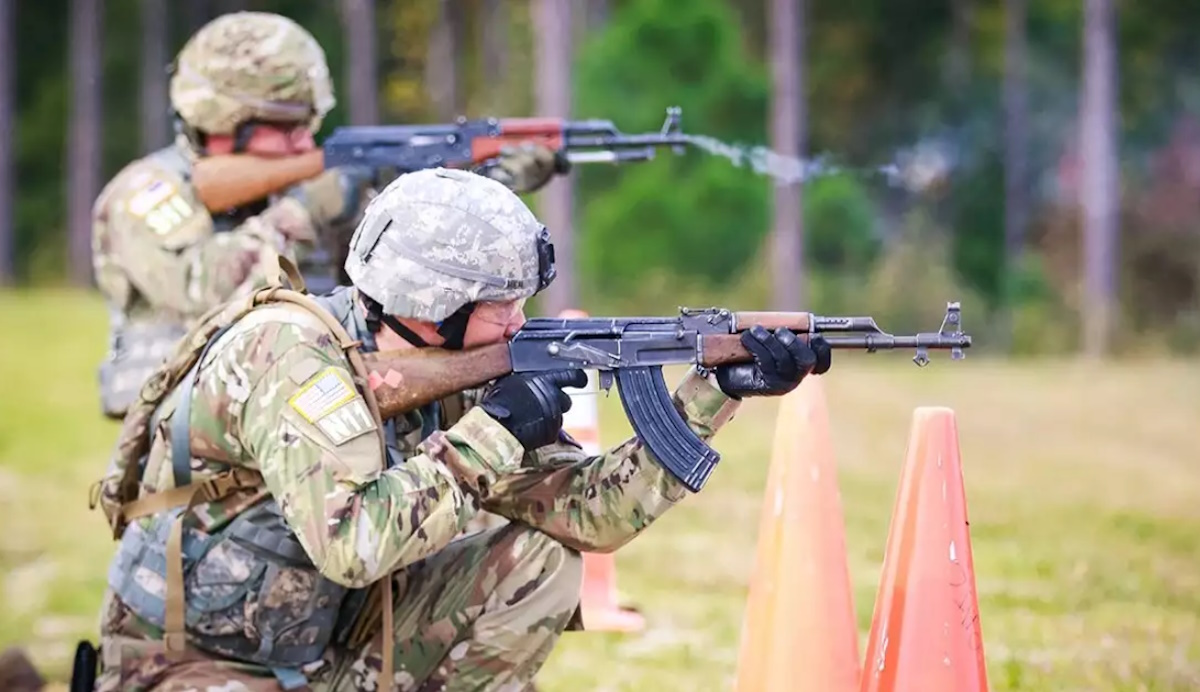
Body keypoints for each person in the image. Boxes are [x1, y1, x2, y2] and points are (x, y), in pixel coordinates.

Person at [89, 167, 832, 692]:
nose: (519, 319)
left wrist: (712, 392)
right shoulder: (292, 358)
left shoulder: (455, 367)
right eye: (499, 301)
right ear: (428, 299)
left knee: (543, 562)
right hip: (189, 667)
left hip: (326, 652)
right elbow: (353, 544)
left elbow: (590, 515)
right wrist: (495, 431)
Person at [91, 11, 559, 420]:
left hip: (303, 403)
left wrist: (483, 186)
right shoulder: (146, 194)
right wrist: (306, 209)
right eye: (287, 126)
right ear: (223, 119)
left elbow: (404, 281)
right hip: (190, 425)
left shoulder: (298, 189)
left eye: (308, 124)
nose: (304, 142)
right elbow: (201, 288)